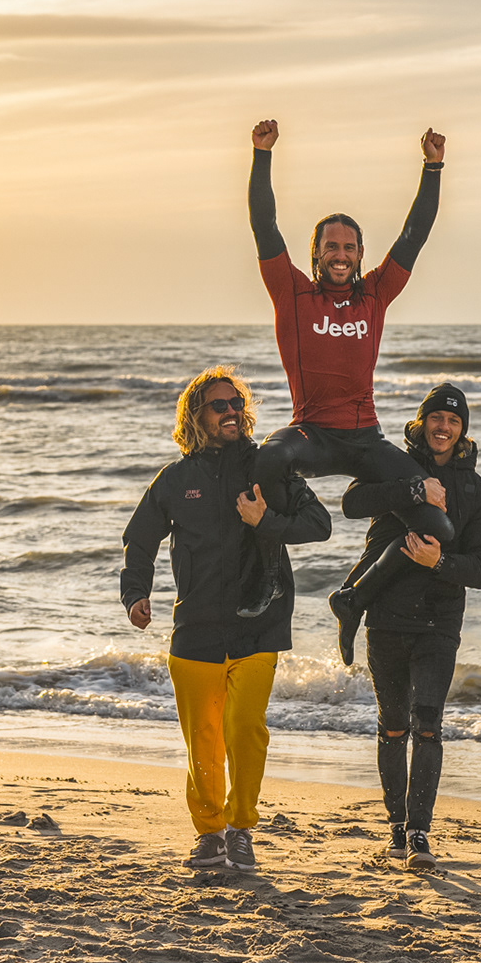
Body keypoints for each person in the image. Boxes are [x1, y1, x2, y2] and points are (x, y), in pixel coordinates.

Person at [240, 118, 455, 662]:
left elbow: (416, 234)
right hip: (311, 433)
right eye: (331, 246)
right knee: (268, 456)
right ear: (316, 252)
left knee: (439, 527)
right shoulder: (290, 292)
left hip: (365, 438)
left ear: (361, 254)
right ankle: (268, 573)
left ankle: (354, 596)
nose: (341, 254)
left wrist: (433, 167)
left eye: (350, 247)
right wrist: (261, 155)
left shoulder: (376, 295)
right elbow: (264, 225)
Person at [122, 366, 332, 873]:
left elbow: (319, 524)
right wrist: (136, 594)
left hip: (258, 624)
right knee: (204, 741)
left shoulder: (267, 468)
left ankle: (240, 828)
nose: (232, 412)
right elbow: (140, 538)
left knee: (244, 730)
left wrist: (267, 522)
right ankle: (210, 832)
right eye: (220, 405)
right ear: (196, 415)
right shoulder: (175, 480)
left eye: (236, 403)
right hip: (194, 627)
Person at [340, 382, 481, 870]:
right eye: (436, 418)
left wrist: (439, 562)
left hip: (438, 621)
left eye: (453, 421)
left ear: (462, 430)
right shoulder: (397, 467)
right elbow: (351, 502)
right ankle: (395, 828)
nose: (444, 427)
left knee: (427, 726)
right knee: (392, 728)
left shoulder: (476, 490)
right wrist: (411, 489)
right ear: (422, 421)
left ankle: (419, 832)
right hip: (385, 618)